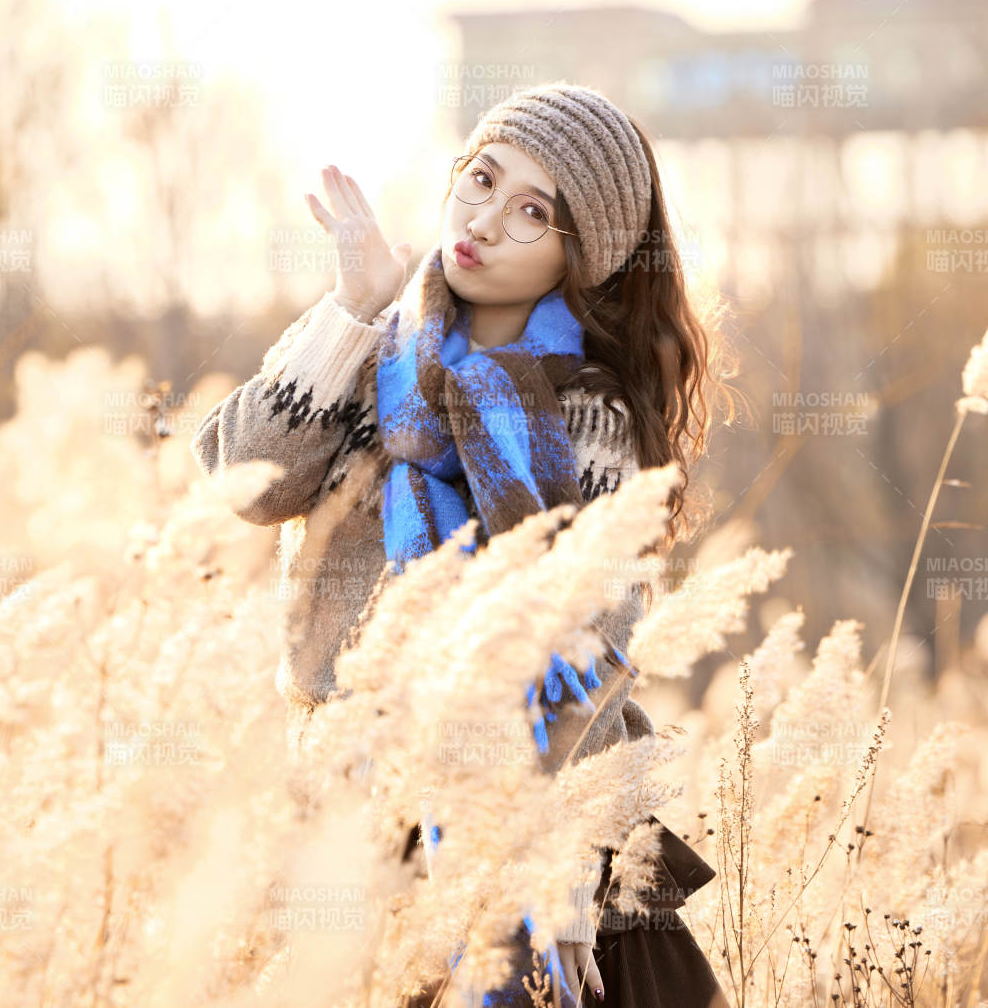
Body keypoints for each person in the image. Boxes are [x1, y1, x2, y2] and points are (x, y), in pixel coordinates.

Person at [191, 81, 731, 1007]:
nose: (486, 218)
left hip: (538, 824)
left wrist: (547, 855)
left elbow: (588, 637)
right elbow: (244, 476)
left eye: (533, 211)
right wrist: (353, 305)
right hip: (356, 812)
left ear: (577, 256)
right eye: (481, 179)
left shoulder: (588, 406)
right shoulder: (362, 345)